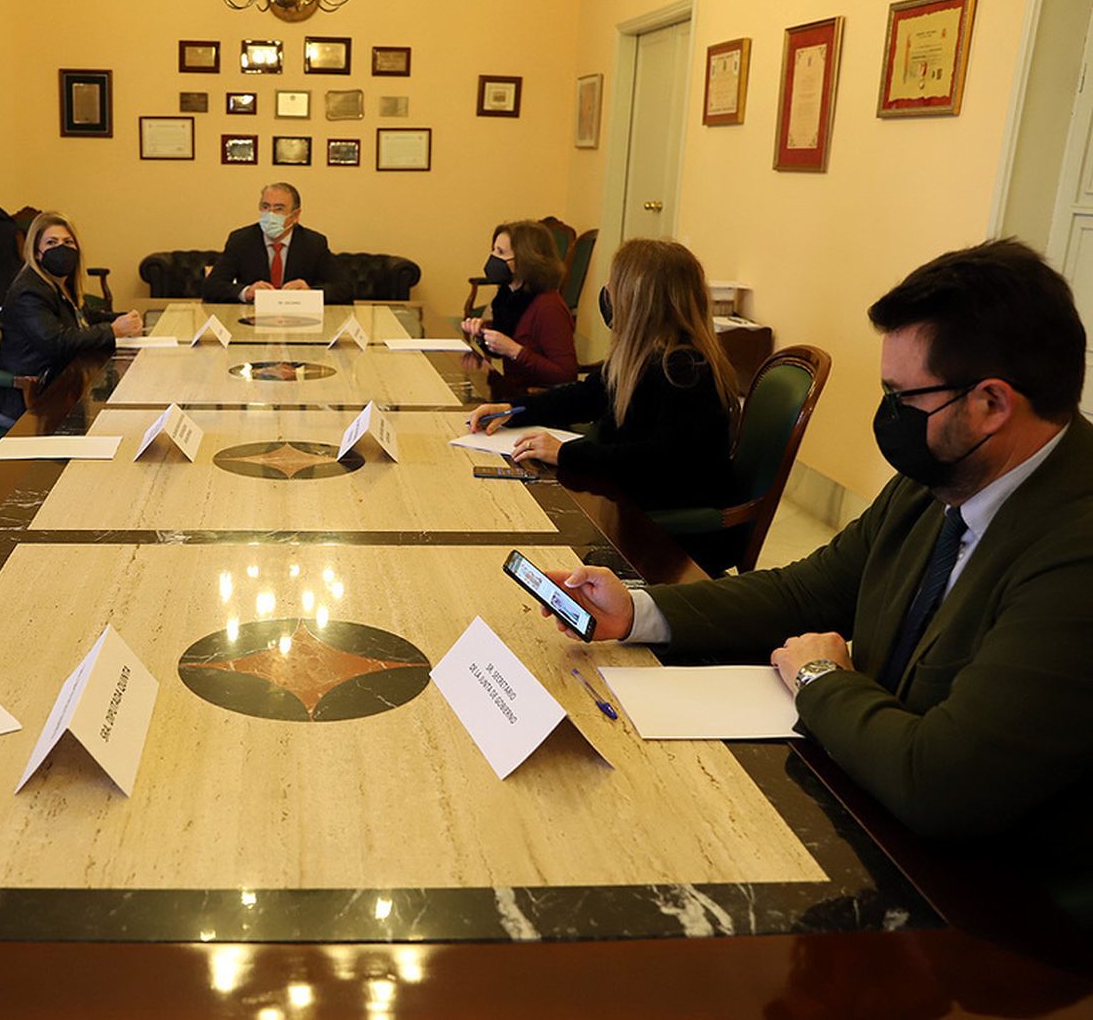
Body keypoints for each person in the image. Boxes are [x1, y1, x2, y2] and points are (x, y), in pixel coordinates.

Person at [544, 240, 1093, 928]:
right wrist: (640, 610)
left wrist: (821, 681)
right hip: (875, 806)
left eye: (903, 396)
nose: (887, 416)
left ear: (990, 404)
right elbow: (809, 591)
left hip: (1002, 911)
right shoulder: (944, 480)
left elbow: (943, 782)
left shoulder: (1075, 547)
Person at [468, 238, 741, 546]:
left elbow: (659, 461)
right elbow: (585, 397)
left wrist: (565, 453)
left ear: (637, 300)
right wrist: (512, 410)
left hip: (674, 526)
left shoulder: (686, 371)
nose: (607, 290)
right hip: (634, 498)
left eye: (614, 283)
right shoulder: (641, 355)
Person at [0, 212, 142, 426]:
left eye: (68, 242)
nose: (61, 248)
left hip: (58, 384)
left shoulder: (60, 283)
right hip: (24, 400)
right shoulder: (29, 291)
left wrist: (121, 319)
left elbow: (83, 317)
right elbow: (56, 342)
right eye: (52, 242)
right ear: (37, 252)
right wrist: (112, 330)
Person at [460, 220, 579, 389]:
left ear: (525, 260)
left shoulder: (549, 306)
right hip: (513, 389)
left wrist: (514, 351)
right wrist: (483, 335)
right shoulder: (508, 295)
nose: (493, 257)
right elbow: (500, 349)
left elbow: (566, 375)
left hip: (537, 400)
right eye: (493, 250)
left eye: (500, 252)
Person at [201, 182, 351, 305]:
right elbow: (211, 287)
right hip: (251, 321)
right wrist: (246, 292)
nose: (270, 214)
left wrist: (310, 293)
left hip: (300, 323)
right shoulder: (241, 240)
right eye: (265, 207)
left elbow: (345, 288)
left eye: (279, 209)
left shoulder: (313, 243)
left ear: (296, 215)